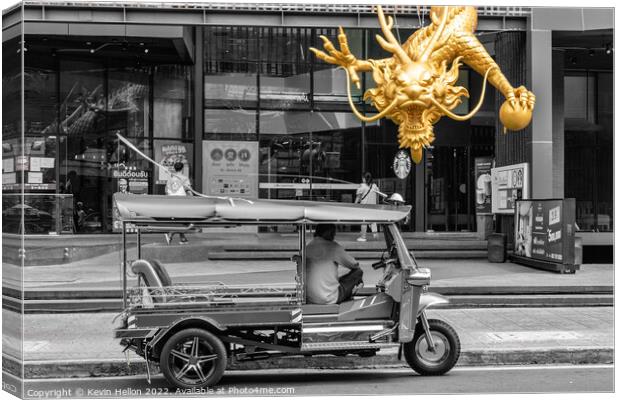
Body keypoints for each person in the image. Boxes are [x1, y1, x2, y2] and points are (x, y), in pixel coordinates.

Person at [306, 224, 363, 305]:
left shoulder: (308, 247)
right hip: (329, 298)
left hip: (311, 298)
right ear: (328, 232)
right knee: (358, 272)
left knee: (339, 280)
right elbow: (354, 264)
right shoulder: (333, 247)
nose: (334, 235)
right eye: (333, 232)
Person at [164, 162, 192, 245]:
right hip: (182, 202)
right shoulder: (184, 178)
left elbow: (166, 191)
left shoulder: (170, 178)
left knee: (179, 220)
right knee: (184, 221)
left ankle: (183, 238)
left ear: (174, 168)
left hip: (172, 202)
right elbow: (188, 190)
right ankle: (171, 233)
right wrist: (193, 198)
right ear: (182, 168)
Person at [355, 172, 379, 242]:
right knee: (373, 221)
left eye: (362, 178)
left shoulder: (362, 186)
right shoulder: (374, 186)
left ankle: (363, 237)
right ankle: (375, 235)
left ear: (364, 178)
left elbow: (358, 197)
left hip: (364, 207)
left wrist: (354, 204)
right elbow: (377, 197)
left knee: (364, 221)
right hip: (373, 206)